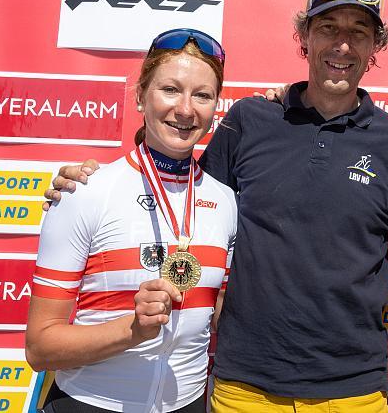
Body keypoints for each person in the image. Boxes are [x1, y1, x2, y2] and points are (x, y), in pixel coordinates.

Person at [42, 0, 388, 413]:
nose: (342, 44)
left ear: (375, 47)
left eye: (359, 31)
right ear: (303, 37)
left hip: (354, 393)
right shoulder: (248, 121)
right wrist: (91, 178)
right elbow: (186, 198)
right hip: (242, 389)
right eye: (327, 27)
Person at [26, 28, 237, 412]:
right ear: (140, 96)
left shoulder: (225, 201)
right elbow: (40, 348)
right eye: (170, 89)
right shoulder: (84, 192)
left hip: (188, 403)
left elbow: (221, 313)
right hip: (91, 403)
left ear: (215, 106)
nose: (186, 109)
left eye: (202, 95)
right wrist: (133, 330)